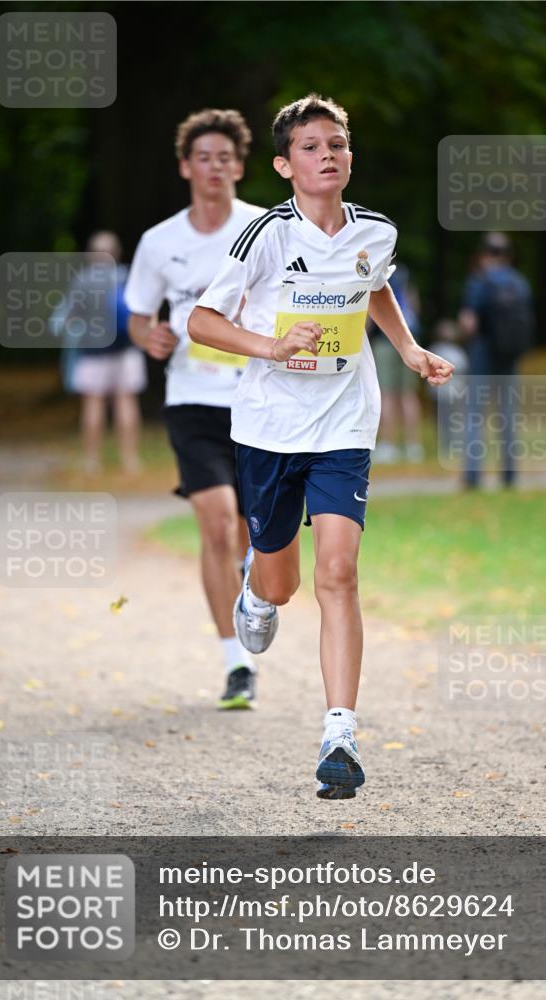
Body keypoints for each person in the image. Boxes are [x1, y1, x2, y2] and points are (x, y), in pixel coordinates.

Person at [188, 94, 453, 798]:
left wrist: (409, 346)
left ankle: (340, 733)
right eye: (310, 146)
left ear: (349, 158)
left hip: (343, 421)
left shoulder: (376, 232)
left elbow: (374, 288)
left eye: (335, 143)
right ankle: (257, 587)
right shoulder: (265, 237)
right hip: (270, 427)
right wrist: (270, 346)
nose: (326, 154)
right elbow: (202, 321)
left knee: (338, 572)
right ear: (283, 165)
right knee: (284, 581)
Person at [125, 109, 265, 709]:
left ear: (239, 165)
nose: (214, 167)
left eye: (225, 157)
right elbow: (137, 315)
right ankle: (236, 664)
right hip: (191, 402)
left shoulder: (265, 228)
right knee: (215, 522)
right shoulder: (160, 242)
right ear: (186, 166)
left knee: (249, 533)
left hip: (260, 401)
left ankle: (253, 602)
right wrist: (146, 337)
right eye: (203, 157)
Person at [56, 231, 147, 475]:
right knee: (126, 401)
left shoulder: (82, 281)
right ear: (116, 253)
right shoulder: (127, 277)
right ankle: (130, 460)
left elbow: (68, 318)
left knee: (93, 403)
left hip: (93, 351)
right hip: (127, 348)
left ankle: (92, 461)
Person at [458, 232, 534, 489]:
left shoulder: (480, 281)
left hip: (483, 353)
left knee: (474, 415)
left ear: (484, 254)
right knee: (508, 415)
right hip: (510, 355)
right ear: (508, 255)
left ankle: (472, 476)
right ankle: (510, 475)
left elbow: (469, 322)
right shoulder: (520, 282)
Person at [369, 263, 425, 464]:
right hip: (409, 337)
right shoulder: (404, 273)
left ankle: (388, 444)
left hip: (384, 339)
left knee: (387, 393)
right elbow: (414, 305)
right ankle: (413, 446)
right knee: (408, 394)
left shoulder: (373, 267)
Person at [426, 318, 469, 464]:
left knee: (444, 421)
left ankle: (448, 444)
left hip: (442, 394)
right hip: (453, 393)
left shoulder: (433, 351)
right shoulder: (458, 352)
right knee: (452, 420)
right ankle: (451, 444)